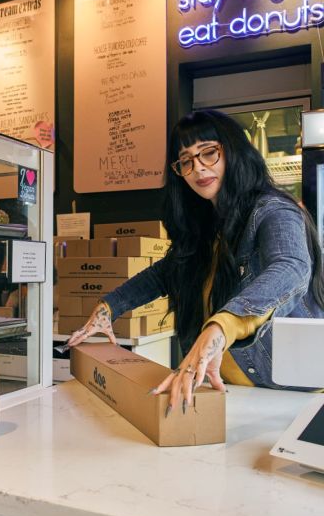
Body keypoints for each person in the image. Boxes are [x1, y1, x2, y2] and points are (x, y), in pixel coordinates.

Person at [67, 110, 324, 414]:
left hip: (291, 396)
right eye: (186, 161)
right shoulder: (205, 226)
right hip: (230, 390)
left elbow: (291, 267)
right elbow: (162, 274)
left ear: (234, 152)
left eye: (209, 153)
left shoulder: (273, 210)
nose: (198, 168)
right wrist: (108, 307)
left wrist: (222, 325)